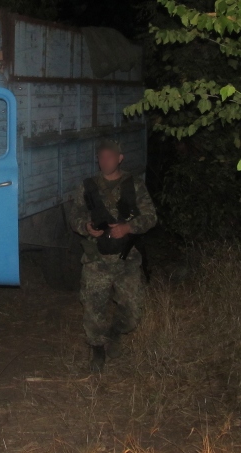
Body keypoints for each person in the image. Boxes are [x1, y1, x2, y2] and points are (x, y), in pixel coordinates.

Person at [70, 139, 157, 373]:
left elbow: (151, 216)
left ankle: (115, 332)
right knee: (93, 308)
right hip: (97, 259)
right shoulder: (88, 186)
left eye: (110, 156)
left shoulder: (134, 184)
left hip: (126, 258)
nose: (105, 161)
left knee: (132, 312)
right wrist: (86, 227)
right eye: (101, 157)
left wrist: (128, 227)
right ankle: (97, 348)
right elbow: (75, 215)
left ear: (120, 158)